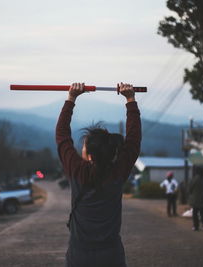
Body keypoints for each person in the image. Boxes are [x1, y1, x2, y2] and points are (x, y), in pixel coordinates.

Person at [56, 82, 141, 267]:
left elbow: (62, 135)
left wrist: (71, 98)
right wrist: (130, 100)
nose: (81, 149)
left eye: (84, 146)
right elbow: (133, 141)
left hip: (79, 255)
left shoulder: (77, 170)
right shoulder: (118, 171)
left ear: (90, 155)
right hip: (111, 255)